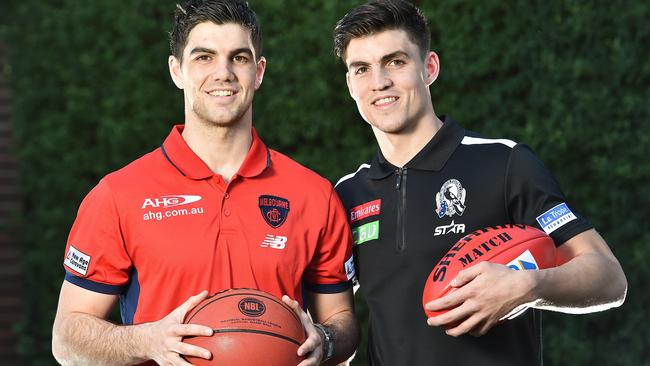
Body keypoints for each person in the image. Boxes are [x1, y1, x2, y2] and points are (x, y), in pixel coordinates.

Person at [51, 1, 359, 365]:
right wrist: (147, 340)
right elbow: (67, 338)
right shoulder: (118, 195)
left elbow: (344, 323)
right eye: (204, 57)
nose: (223, 73)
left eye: (239, 58)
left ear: (258, 72)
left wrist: (324, 339)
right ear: (176, 70)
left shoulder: (314, 194)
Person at [332, 0, 627, 365]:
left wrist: (528, 286)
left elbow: (609, 277)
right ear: (349, 84)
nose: (379, 82)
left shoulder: (504, 162)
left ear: (429, 67)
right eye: (361, 69)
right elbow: (335, 321)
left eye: (396, 61)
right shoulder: (345, 194)